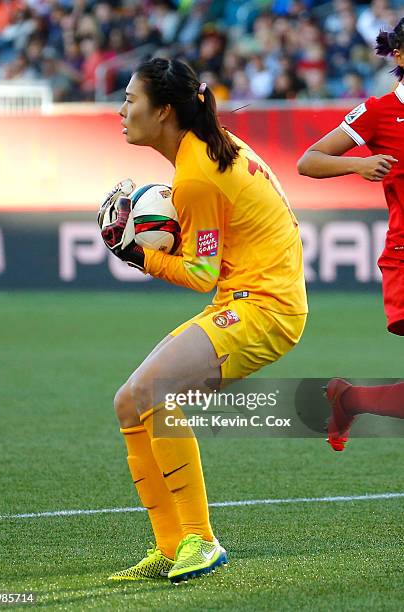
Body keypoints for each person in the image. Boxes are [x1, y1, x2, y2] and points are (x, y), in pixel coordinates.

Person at [98, 57, 308, 584]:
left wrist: (138, 255)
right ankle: (170, 547)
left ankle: (201, 541)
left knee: (156, 390)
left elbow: (197, 272)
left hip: (266, 307)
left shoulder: (195, 175)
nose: (122, 109)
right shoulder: (204, 151)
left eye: (130, 99)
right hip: (245, 298)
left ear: (164, 110)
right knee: (130, 399)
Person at [297, 17, 404, 453]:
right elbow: (310, 159)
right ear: (399, 53)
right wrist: (358, 165)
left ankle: (349, 398)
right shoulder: (380, 112)